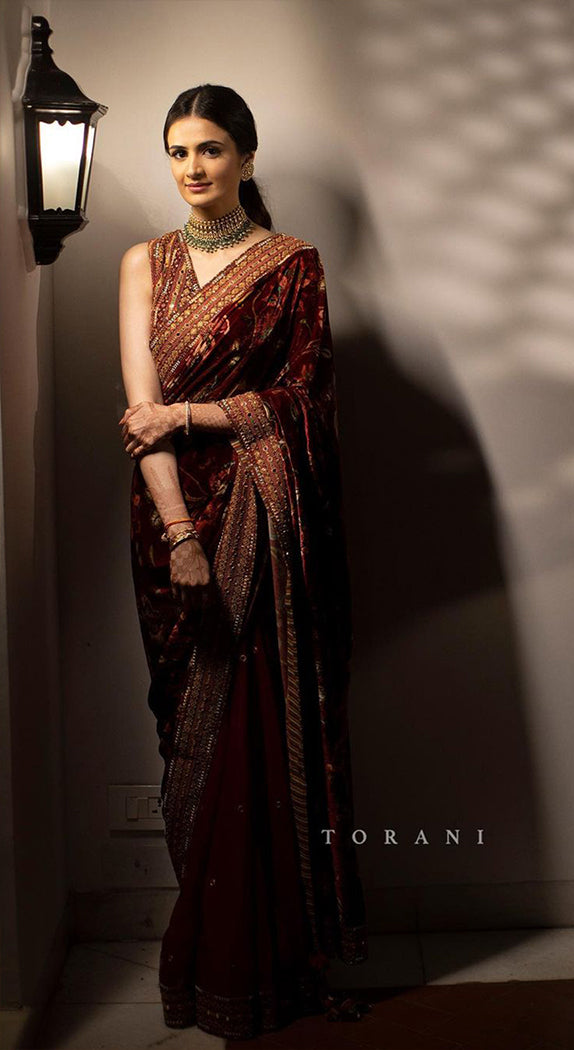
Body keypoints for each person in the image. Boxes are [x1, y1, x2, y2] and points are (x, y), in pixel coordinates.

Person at [118, 83, 371, 1041]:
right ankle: (211, 957)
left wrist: (191, 414)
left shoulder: (293, 265)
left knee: (265, 724)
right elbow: (139, 418)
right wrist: (180, 532)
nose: (193, 167)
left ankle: (274, 964)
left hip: (267, 523)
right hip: (171, 521)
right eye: (179, 151)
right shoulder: (143, 263)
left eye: (212, 149)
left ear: (247, 158)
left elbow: (308, 400)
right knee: (189, 729)